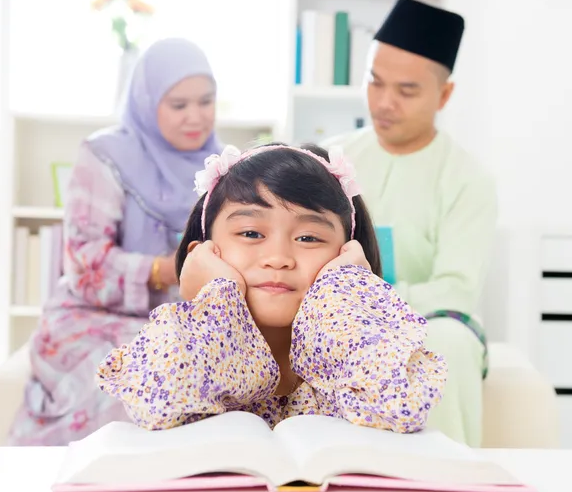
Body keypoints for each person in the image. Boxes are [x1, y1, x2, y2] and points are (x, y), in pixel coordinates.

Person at [96, 143, 446, 432]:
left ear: (348, 257)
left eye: (309, 237)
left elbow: (400, 407)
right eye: (251, 233)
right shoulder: (181, 349)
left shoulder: (358, 359)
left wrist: (344, 291)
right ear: (202, 254)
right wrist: (216, 295)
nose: (278, 258)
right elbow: (161, 399)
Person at [8, 38, 223, 445]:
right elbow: (85, 265)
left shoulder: (225, 165)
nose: (196, 117)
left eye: (206, 101)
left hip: (185, 322)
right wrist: (174, 269)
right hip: (95, 317)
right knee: (136, 391)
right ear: (146, 101)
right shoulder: (104, 156)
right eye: (178, 105)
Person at [321, 0, 498, 446]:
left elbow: (456, 289)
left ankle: (448, 486)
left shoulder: (467, 179)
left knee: (448, 342)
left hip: (426, 321)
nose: (384, 103)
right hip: (333, 318)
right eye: (374, 83)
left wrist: (374, 302)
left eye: (406, 90)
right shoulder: (332, 159)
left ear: (444, 95)